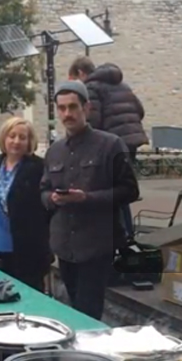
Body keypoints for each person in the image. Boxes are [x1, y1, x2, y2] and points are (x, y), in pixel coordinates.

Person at [41, 81, 139, 320]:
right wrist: (52, 198)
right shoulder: (54, 151)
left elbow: (129, 191)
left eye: (73, 107)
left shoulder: (110, 145)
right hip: (65, 246)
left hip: (96, 245)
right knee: (73, 307)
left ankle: (87, 356)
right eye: (62, 108)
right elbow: (42, 191)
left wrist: (88, 198)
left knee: (88, 313)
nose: (67, 114)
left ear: (87, 108)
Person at [68, 56, 148, 240]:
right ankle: (128, 234)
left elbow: (92, 122)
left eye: (74, 81)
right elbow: (140, 110)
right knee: (123, 189)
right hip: (132, 141)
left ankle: (120, 234)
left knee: (109, 191)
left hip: (112, 145)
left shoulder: (91, 88)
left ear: (80, 73)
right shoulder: (122, 85)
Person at [0, 117, 52, 292]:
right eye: (12, 136)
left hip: (26, 247)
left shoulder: (38, 168)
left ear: (29, 141)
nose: (16, 141)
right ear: (4, 138)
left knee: (27, 295)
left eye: (22, 137)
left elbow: (44, 210)